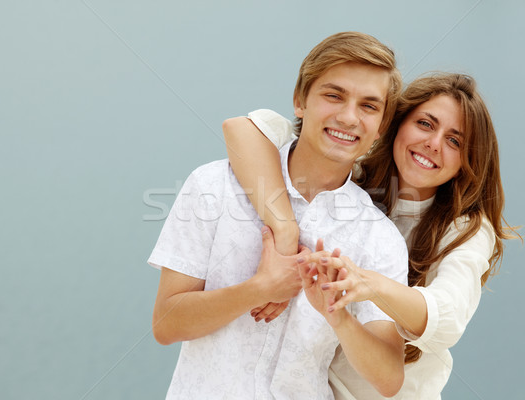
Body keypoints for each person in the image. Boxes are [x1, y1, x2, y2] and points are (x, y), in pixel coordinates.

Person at [222, 72, 520, 399]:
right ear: (394, 124)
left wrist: (369, 284)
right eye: (425, 124)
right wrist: (285, 231)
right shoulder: (353, 173)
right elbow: (245, 129)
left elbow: (446, 319)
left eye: (454, 141)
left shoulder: (466, 230)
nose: (433, 144)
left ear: (468, 161)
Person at [148, 31, 409, 399]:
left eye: (369, 106)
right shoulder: (213, 184)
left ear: (381, 126)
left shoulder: (380, 239)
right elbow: (166, 324)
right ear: (300, 101)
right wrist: (260, 289)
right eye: (334, 95)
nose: (349, 117)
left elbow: (389, 379)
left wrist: (337, 315)